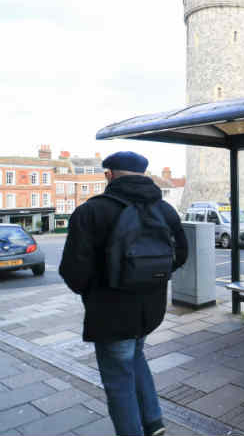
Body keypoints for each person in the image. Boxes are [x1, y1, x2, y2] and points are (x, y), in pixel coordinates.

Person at [59, 151, 188, 436]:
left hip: (111, 313)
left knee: (119, 380)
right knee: (136, 357)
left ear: (109, 175)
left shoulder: (91, 211)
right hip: (150, 311)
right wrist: (152, 280)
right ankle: (153, 422)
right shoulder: (165, 210)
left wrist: (96, 291)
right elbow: (180, 256)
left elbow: (72, 270)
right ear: (144, 174)